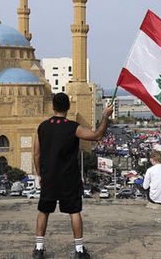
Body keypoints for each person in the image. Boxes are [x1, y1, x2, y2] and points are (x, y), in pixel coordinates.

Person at [32, 92, 113, 259]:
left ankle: (39, 249)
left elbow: (36, 154)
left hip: (49, 178)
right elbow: (97, 135)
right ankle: (79, 250)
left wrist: (40, 174)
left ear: (52, 107)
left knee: (43, 211)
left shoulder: (42, 127)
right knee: (74, 212)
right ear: (68, 108)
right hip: (69, 178)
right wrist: (105, 116)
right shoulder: (73, 127)